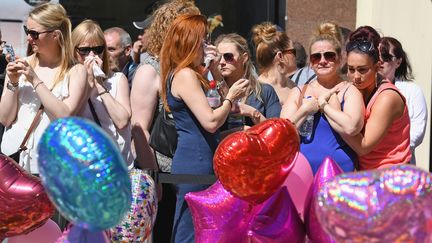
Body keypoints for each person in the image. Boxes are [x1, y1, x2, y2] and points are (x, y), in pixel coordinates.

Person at [160, 14, 248, 242]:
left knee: (203, 229)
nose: (208, 46)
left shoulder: (192, 73)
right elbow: (210, 122)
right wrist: (231, 97)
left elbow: (219, 111)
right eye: (204, 40)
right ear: (191, 41)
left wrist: (216, 74)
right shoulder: (185, 75)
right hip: (195, 162)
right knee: (189, 230)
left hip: (201, 159)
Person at [129, 1, 201, 242]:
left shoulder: (189, 68)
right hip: (164, 176)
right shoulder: (149, 70)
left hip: (190, 170)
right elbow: (139, 129)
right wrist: (153, 177)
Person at [0, 3, 88, 174]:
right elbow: (5, 118)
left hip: (51, 167)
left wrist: (34, 80)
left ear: (55, 35)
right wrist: (13, 82)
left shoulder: (76, 71)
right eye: (27, 31)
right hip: (13, 160)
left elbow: (65, 115)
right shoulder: (22, 64)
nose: (28, 38)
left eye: (34, 33)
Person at [280, 22, 364, 174]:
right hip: (302, 177)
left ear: (339, 60)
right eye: (316, 57)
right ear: (310, 63)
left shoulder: (349, 90)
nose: (322, 60)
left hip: (339, 177)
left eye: (329, 56)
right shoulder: (299, 91)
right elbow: (281, 134)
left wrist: (325, 106)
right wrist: (305, 110)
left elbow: (352, 127)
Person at [342, 26, 411, 170]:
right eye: (351, 69)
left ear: (377, 66)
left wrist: (330, 109)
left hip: (391, 181)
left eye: (362, 69)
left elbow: (363, 146)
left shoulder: (387, 97)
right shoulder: (357, 90)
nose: (356, 77)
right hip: (367, 178)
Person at [72, 20, 133, 167]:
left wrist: (99, 85)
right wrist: (86, 86)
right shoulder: (68, 81)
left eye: (98, 49)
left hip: (115, 167)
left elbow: (122, 122)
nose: (92, 55)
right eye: (85, 50)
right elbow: (67, 118)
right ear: (74, 51)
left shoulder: (117, 79)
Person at [214, 33, 281, 132]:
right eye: (218, 57)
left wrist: (253, 113)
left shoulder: (264, 91)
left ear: (244, 58)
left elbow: (277, 132)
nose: (222, 62)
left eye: (228, 57)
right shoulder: (212, 93)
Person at [378, 36, 426, 165]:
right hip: (368, 165)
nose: (381, 60)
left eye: (386, 57)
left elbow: (417, 132)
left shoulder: (412, 91)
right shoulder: (363, 90)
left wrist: (387, 149)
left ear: (398, 62)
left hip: (400, 165)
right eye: (377, 55)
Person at [251, 22, 297, 108]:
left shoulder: (293, 85)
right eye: (292, 52)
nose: (295, 56)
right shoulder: (258, 91)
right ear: (280, 56)